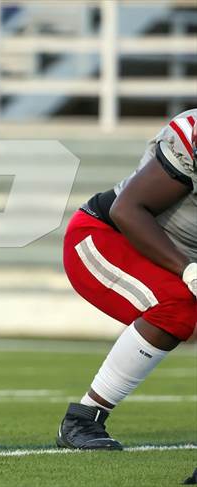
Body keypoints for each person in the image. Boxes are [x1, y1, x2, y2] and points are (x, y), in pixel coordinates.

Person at [57, 109, 197, 450]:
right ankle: (83, 417)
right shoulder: (191, 137)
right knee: (176, 307)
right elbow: (127, 210)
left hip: (164, 253)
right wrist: (188, 269)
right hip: (105, 236)